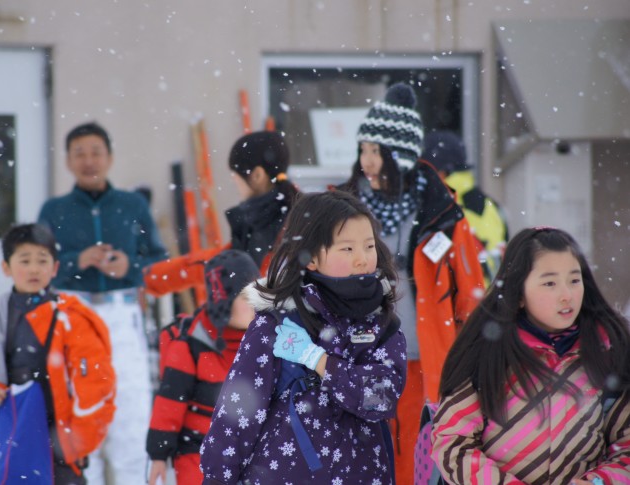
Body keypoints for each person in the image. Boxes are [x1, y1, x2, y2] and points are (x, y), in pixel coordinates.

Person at [200, 190, 407, 484]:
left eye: (369, 245)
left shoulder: (381, 325)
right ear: (310, 258)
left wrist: (319, 361)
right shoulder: (277, 324)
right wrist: (217, 478)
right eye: (347, 249)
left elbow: (380, 400)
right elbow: (237, 415)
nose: (363, 259)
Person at [337, 82, 485, 483]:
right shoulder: (345, 209)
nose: (366, 160)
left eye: (375, 150)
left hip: (427, 358)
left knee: (422, 460)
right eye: (363, 149)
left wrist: (476, 358)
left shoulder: (444, 215)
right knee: (363, 452)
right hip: (361, 353)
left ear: (398, 156)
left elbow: (472, 295)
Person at [432, 227, 630, 484]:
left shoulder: (606, 352)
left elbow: (626, 444)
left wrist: (598, 481)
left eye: (574, 279)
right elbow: (453, 443)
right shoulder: (486, 352)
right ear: (519, 293)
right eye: (550, 283)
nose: (566, 295)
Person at [37, 122, 167, 484]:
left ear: (109, 157)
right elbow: (37, 264)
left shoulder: (132, 205)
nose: (88, 160)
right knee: (79, 416)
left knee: (129, 418)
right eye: (79, 153)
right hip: (73, 315)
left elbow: (159, 262)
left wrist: (132, 266)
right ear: (67, 161)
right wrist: (77, 260)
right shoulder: (55, 209)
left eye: (95, 152)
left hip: (123, 315)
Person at [0, 223, 116, 484]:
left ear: (54, 268)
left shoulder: (72, 317)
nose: (33, 268)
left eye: (42, 260)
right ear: (6, 268)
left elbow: (96, 382)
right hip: (8, 440)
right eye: (24, 260)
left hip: (57, 439)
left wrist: (75, 440)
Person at [146, 249, 260, 485]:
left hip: (252, 451)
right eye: (244, 296)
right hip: (199, 451)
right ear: (223, 305)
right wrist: (158, 455)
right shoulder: (191, 344)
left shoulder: (268, 339)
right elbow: (169, 404)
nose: (254, 303)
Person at [143, 130, 298, 297]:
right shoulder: (275, 215)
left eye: (235, 177)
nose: (235, 184)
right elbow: (218, 264)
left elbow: (224, 268)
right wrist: (153, 277)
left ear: (257, 175)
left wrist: (151, 278)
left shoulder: (279, 225)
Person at [422, 130, 509, 286]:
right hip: (490, 300)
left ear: (443, 172)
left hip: (467, 303)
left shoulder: (446, 207)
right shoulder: (487, 204)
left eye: (426, 170)